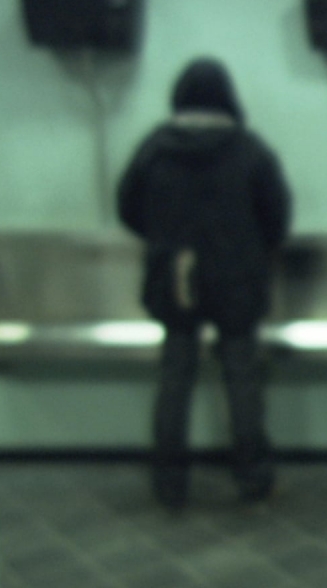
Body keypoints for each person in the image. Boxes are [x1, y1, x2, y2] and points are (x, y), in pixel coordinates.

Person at [118, 57, 292, 509]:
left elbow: (128, 207)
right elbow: (276, 217)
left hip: (175, 275)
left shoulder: (155, 148)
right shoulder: (249, 149)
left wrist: (164, 238)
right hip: (237, 277)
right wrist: (250, 248)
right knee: (241, 375)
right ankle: (253, 478)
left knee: (175, 374)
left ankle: (169, 483)